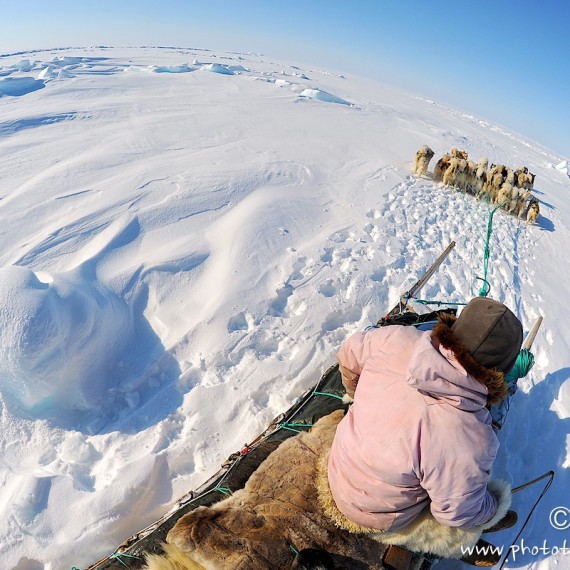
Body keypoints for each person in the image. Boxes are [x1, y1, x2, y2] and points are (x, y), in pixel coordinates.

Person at [322, 297, 523, 560]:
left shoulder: (397, 338)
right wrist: (493, 506)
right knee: (460, 521)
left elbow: (349, 353)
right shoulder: (471, 435)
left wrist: (359, 393)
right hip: (376, 516)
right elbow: (456, 513)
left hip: (336, 467)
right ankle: (460, 545)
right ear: (500, 372)